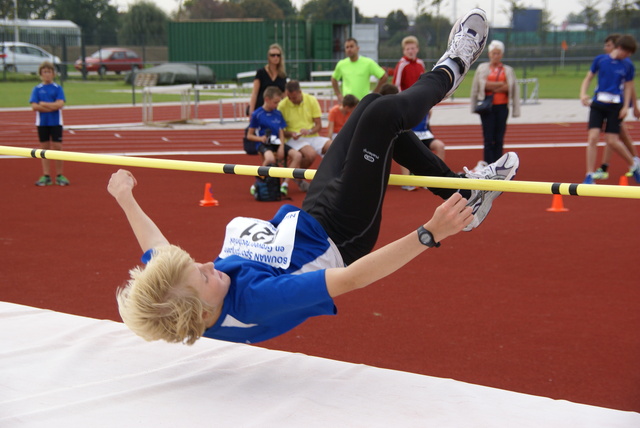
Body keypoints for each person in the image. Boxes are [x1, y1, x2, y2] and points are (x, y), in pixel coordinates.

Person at [110, 9, 519, 346]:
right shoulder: (256, 301)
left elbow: (156, 249)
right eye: (202, 274)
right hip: (341, 236)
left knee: (372, 105)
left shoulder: (179, 291)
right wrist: (430, 232)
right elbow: (351, 278)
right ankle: (456, 61)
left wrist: (125, 197)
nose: (204, 263)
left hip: (309, 216)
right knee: (380, 115)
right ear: (201, 313)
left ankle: (467, 195)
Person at [579, 34, 640, 184]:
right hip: (598, 104)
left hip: (615, 106)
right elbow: (589, 77)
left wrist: (626, 106)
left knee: (612, 141)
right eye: (627, 53)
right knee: (592, 137)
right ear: (619, 48)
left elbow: (628, 87)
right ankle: (589, 175)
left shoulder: (627, 65)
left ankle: (634, 165)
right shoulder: (601, 60)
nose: (628, 56)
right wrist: (582, 94)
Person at [390, 38, 446, 190]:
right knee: (406, 141)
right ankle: (407, 180)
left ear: (417, 49)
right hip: (407, 106)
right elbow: (396, 87)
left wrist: (427, 104)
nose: (410, 51)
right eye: (408, 49)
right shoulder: (402, 65)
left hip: (421, 106)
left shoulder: (420, 64)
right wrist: (403, 105)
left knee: (425, 139)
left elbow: (425, 84)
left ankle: (432, 178)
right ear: (404, 51)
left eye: (413, 48)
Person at [470, 40, 521, 166]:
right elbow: (481, 85)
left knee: (499, 138)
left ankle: (498, 165)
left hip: (502, 107)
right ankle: (488, 164)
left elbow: (510, 87)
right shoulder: (482, 68)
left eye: (498, 53)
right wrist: (500, 85)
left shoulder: (507, 70)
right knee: (488, 138)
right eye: (493, 53)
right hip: (487, 108)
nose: (496, 56)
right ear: (489, 54)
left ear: (502, 55)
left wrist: (492, 86)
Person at [247, 86, 302, 197]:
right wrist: (261, 138)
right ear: (267, 100)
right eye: (275, 102)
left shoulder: (278, 113)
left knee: (297, 155)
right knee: (270, 158)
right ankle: (258, 182)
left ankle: (285, 184)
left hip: (277, 143)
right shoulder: (257, 114)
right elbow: (249, 135)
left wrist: (281, 146)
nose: (277, 105)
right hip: (264, 144)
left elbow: (281, 132)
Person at [277, 80, 331, 190]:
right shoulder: (282, 105)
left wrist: (309, 131)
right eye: (289, 97)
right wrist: (291, 133)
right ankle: (298, 175)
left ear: (300, 92)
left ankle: (327, 176)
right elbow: (280, 130)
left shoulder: (311, 100)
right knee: (310, 154)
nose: (292, 100)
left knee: (333, 146)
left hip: (311, 135)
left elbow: (319, 125)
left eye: (294, 97)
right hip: (293, 139)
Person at [30, 61, 68, 186]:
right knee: (44, 148)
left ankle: (59, 175)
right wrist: (52, 106)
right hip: (42, 123)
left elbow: (60, 104)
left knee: (57, 147)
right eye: (44, 72)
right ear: (41, 74)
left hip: (56, 122)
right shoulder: (37, 89)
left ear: (53, 74)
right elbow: (35, 106)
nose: (47, 74)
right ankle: (46, 175)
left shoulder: (58, 88)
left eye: (49, 72)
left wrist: (45, 104)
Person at [331, 38, 388, 103]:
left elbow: (384, 76)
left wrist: (375, 92)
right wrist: (339, 95)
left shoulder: (368, 63)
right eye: (347, 47)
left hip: (362, 102)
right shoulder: (341, 64)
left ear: (357, 48)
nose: (349, 49)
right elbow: (334, 79)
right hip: (347, 103)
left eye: (351, 46)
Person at [247, 44, 287, 116]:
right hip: (261, 109)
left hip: (276, 111)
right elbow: (254, 93)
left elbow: (284, 96)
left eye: (278, 55)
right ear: (268, 57)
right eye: (273, 55)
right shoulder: (261, 73)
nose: (276, 57)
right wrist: (251, 112)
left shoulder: (282, 75)